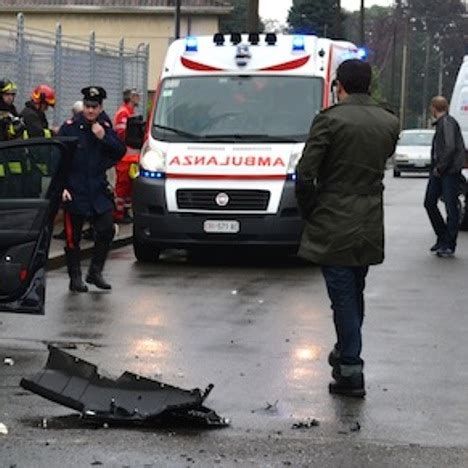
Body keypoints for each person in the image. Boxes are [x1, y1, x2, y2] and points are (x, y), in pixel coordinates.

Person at [295, 59, 399, 397]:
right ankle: (344, 354)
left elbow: (306, 174)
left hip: (334, 216)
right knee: (354, 291)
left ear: (339, 86)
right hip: (369, 217)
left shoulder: (330, 120)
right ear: (368, 85)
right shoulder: (388, 121)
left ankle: (351, 367)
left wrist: (311, 210)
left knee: (342, 297)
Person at [58, 86, 126, 292]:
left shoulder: (103, 126)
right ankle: (75, 277)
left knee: (106, 229)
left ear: (100, 108)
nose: (90, 111)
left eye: (94, 107)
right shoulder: (70, 128)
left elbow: (119, 151)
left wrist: (103, 136)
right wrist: (61, 187)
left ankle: (95, 272)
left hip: (96, 190)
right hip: (75, 191)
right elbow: (58, 159)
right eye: (87, 106)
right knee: (73, 238)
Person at [424, 96, 466, 258]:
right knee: (430, 202)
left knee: (450, 206)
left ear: (434, 108)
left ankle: (448, 243)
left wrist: (440, 167)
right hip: (442, 170)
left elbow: (449, 146)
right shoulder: (446, 123)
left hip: (447, 171)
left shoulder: (447, 123)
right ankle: (443, 237)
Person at [113, 88, 141, 224]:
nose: (139, 98)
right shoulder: (123, 113)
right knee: (122, 186)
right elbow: (121, 133)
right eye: (136, 95)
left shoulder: (131, 113)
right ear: (130, 97)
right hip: (125, 156)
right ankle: (118, 213)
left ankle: (125, 211)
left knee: (129, 186)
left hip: (132, 156)